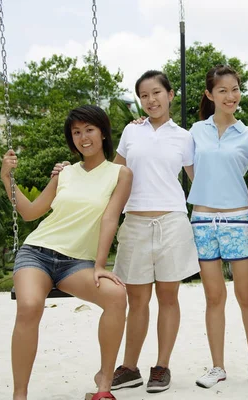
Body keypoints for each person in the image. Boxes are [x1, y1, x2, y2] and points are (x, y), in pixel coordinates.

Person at [53, 70, 200, 393]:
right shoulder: (131, 133)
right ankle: (130, 367)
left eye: (156, 93)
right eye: (144, 96)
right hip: (134, 222)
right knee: (137, 298)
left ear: (170, 94)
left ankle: (161, 366)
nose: (151, 100)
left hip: (173, 221)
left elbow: (197, 179)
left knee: (168, 297)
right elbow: (110, 171)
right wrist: (69, 174)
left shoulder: (185, 137)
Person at [3, 105, 133, 400]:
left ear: (103, 133)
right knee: (29, 306)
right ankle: (19, 395)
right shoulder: (64, 173)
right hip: (37, 253)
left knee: (116, 296)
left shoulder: (120, 174)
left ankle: (103, 386)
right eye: (76, 132)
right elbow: (30, 213)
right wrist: (7, 178)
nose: (83, 137)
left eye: (89, 129)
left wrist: (100, 265)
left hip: (77, 264)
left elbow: (111, 217)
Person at [189, 65, 248, 388]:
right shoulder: (195, 131)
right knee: (213, 297)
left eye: (235, 89)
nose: (230, 96)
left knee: (246, 295)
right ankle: (217, 366)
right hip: (203, 221)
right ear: (210, 95)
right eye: (222, 90)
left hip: (239, 220)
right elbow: (186, 165)